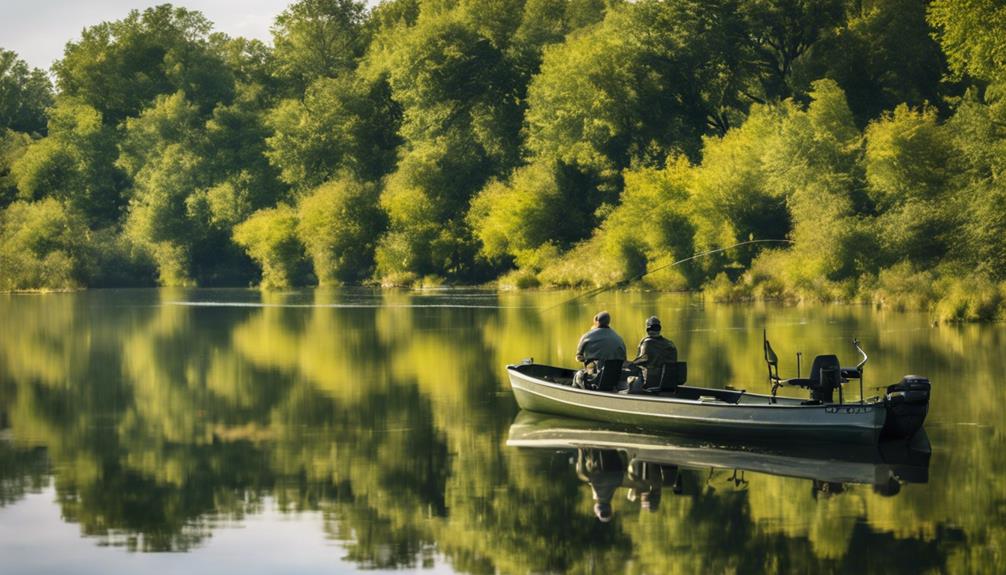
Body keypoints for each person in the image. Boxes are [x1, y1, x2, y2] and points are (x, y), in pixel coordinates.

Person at [573, 311, 626, 390]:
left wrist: (587, 358)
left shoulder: (587, 336)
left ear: (596, 321)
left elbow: (578, 357)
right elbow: (624, 359)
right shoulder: (619, 338)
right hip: (613, 379)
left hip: (596, 379)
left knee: (578, 375)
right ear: (608, 322)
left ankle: (577, 396)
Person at [630, 316, 677, 392]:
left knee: (629, 381)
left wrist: (631, 364)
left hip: (650, 383)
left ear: (647, 329)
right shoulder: (670, 344)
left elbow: (643, 359)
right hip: (669, 383)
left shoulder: (647, 343)